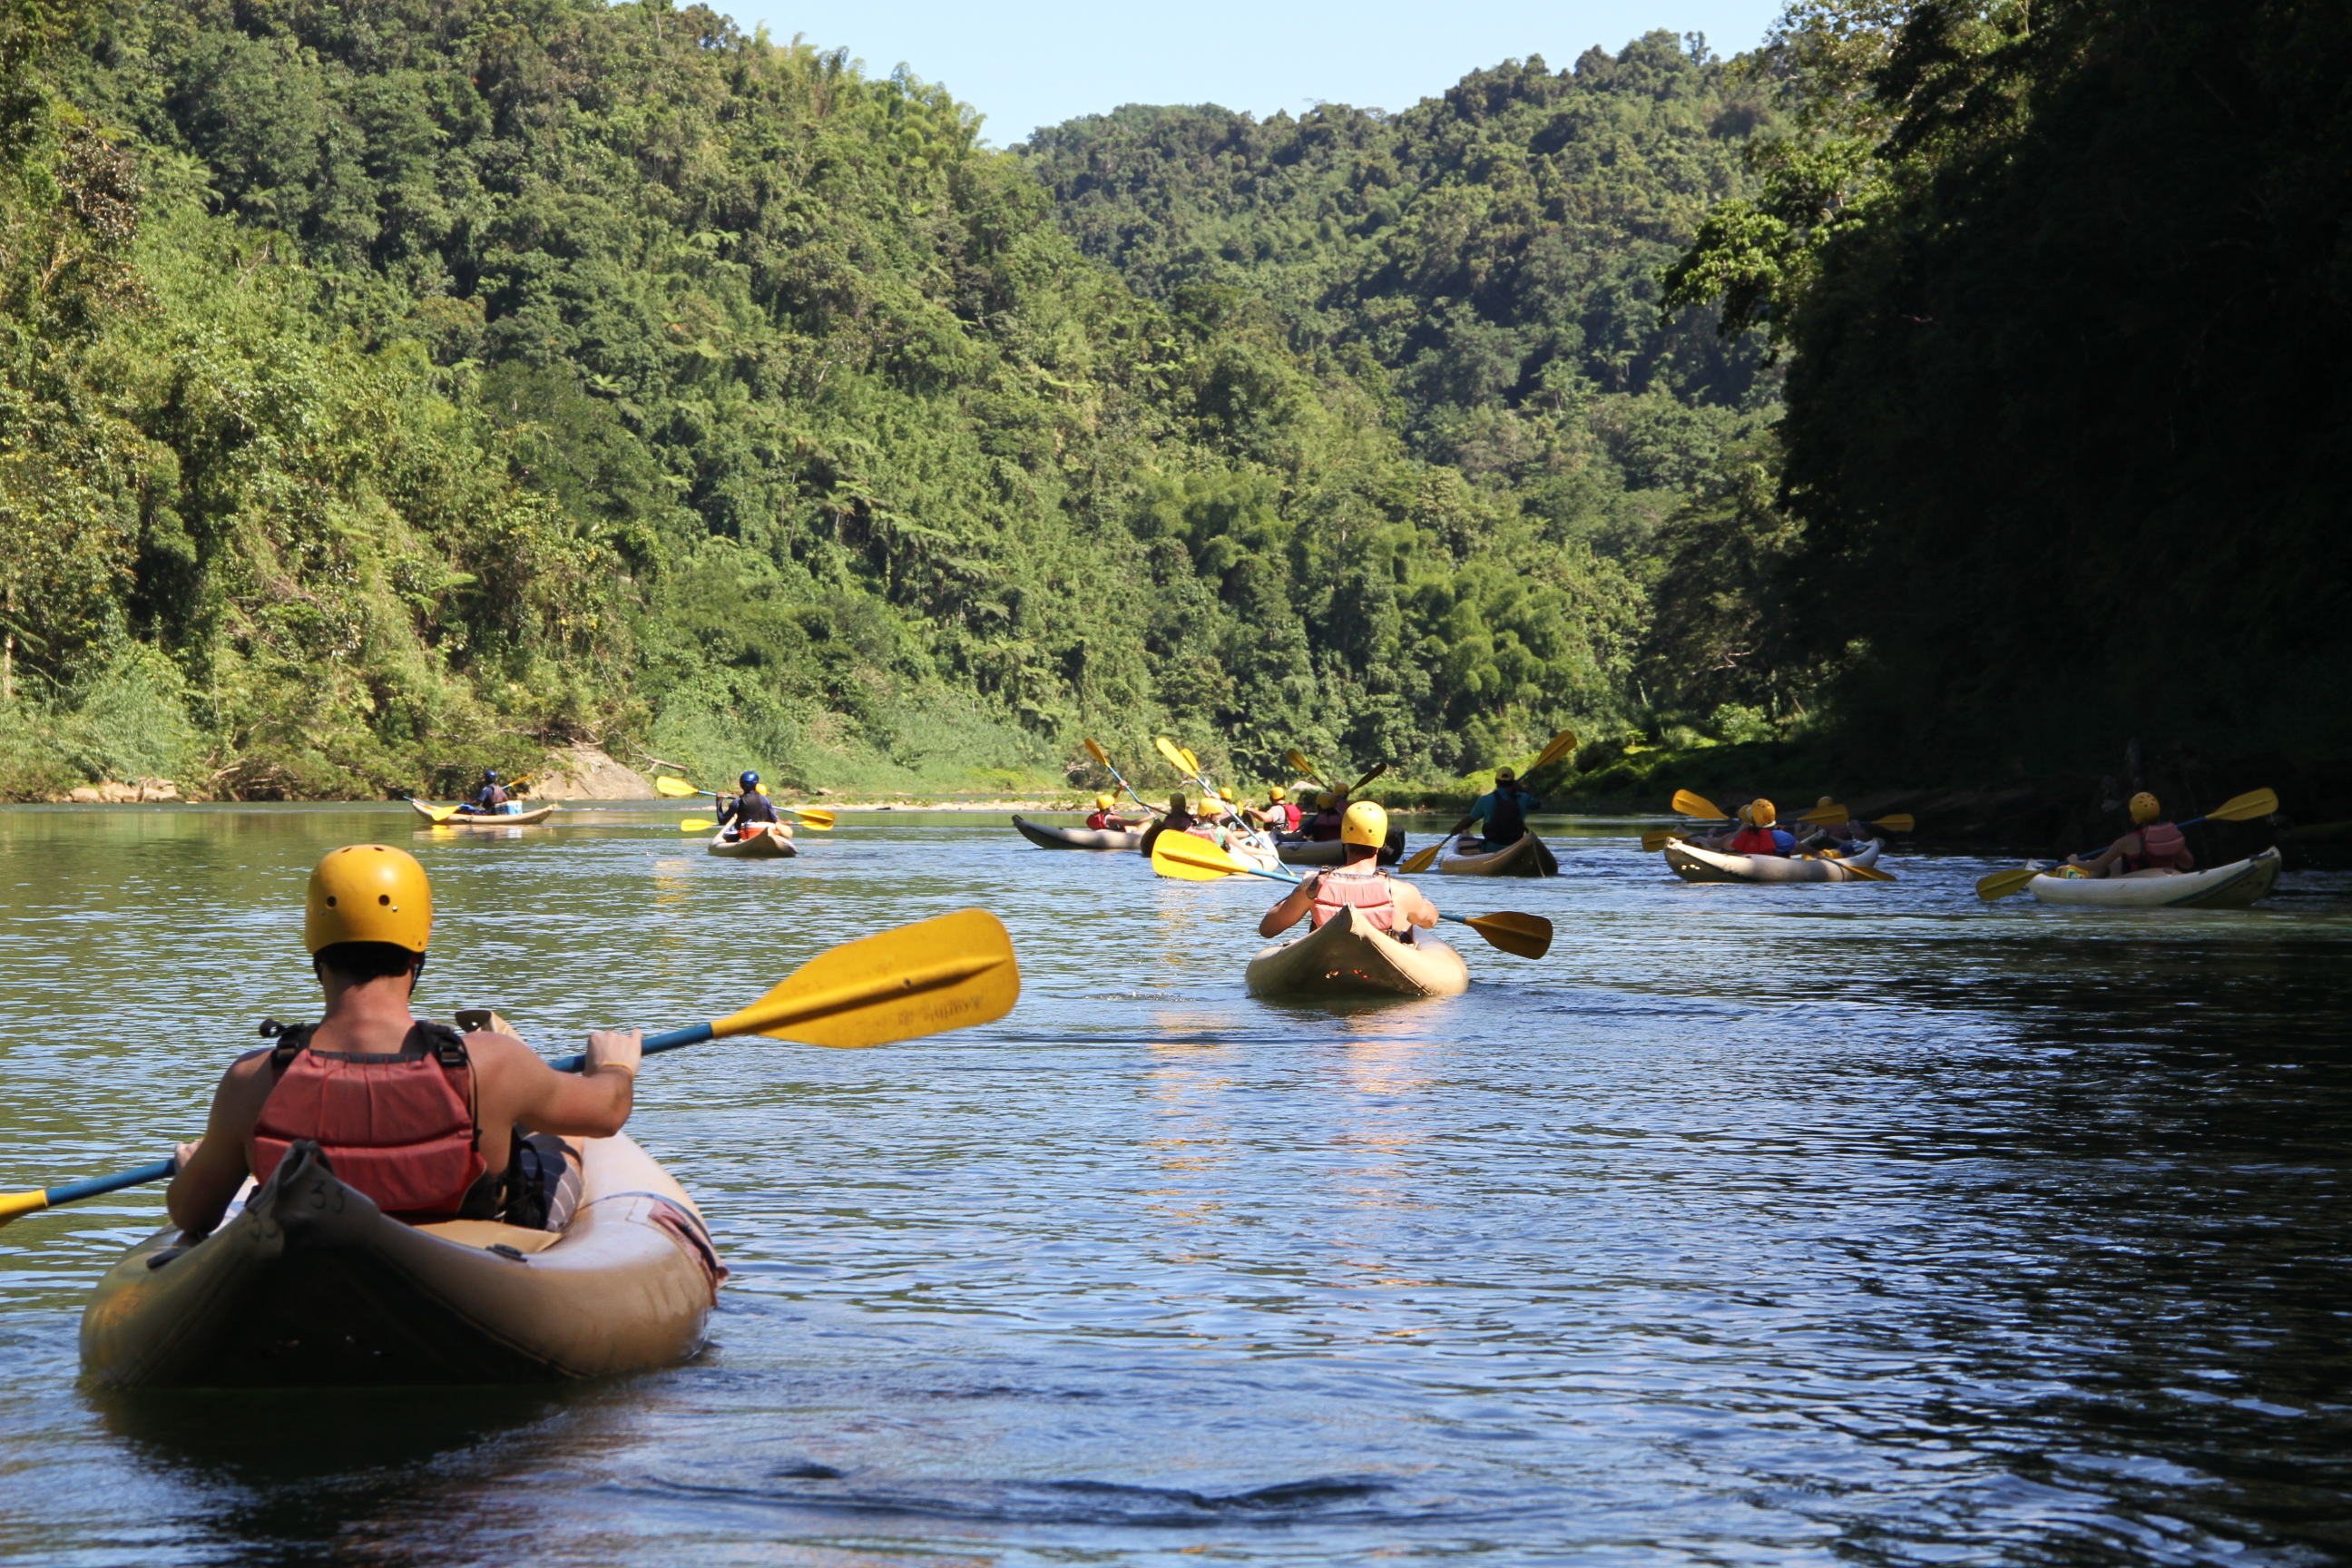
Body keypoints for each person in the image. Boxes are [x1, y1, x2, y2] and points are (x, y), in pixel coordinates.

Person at [167, 844, 642, 1240]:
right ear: (418, 954)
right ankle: (521, 1120)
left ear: (316, 952)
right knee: (560, 1136)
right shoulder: (491, 1063)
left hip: (311, 1264)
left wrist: (198, 1169)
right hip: (470, 1271)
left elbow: (192, 1217)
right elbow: (607, 1113)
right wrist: (614, 1068)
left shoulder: (252, 1080)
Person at [1258, 801, 1439, 943]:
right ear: (1381, 842)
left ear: (1344, 838)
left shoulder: (1314, 886)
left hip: (1327, 969)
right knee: (1407, 924)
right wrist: (1426, 904)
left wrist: (1301, 889)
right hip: (1379, 972)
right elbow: (1430, 921)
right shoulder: (1404, 892)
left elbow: (1267, 929)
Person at [2068, 790, 2194, 877]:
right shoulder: (2173, 833)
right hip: (2170, 877)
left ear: (2135, 816)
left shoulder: (2128, 841)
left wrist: (2074, 861)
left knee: (2111, 863)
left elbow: (2095, 866)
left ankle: (2081, 886)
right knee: (2115, 861)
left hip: (2139, 882)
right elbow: (2188, 863)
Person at [1446, 766, 1538, 853]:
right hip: (1516, 845)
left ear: (1496, 781)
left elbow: (1469, 821)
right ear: (1513, 782)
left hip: (1491, 847)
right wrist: (1520, 789)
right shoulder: (1523, 797)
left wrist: (1455, 829)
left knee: (1461, 842)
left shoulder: (1485, 799)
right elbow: (1537, 804)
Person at [714, 770, 790, 843]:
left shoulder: (737, 802)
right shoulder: (765, 800)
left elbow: (722, 821)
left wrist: (719, 802)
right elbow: (774, 820)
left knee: (727, 836)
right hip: (763, 832)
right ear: (756, 784)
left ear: (741, 784)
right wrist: (784, 822)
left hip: (744, 835)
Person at [1724, 799, 1797, 858]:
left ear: (1753, 818)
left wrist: (1740, 830)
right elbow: (1806, 850)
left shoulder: (1744, 836)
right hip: (1778, 867)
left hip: (1755, 867)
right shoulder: (1784, 836)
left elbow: (1727, 845)